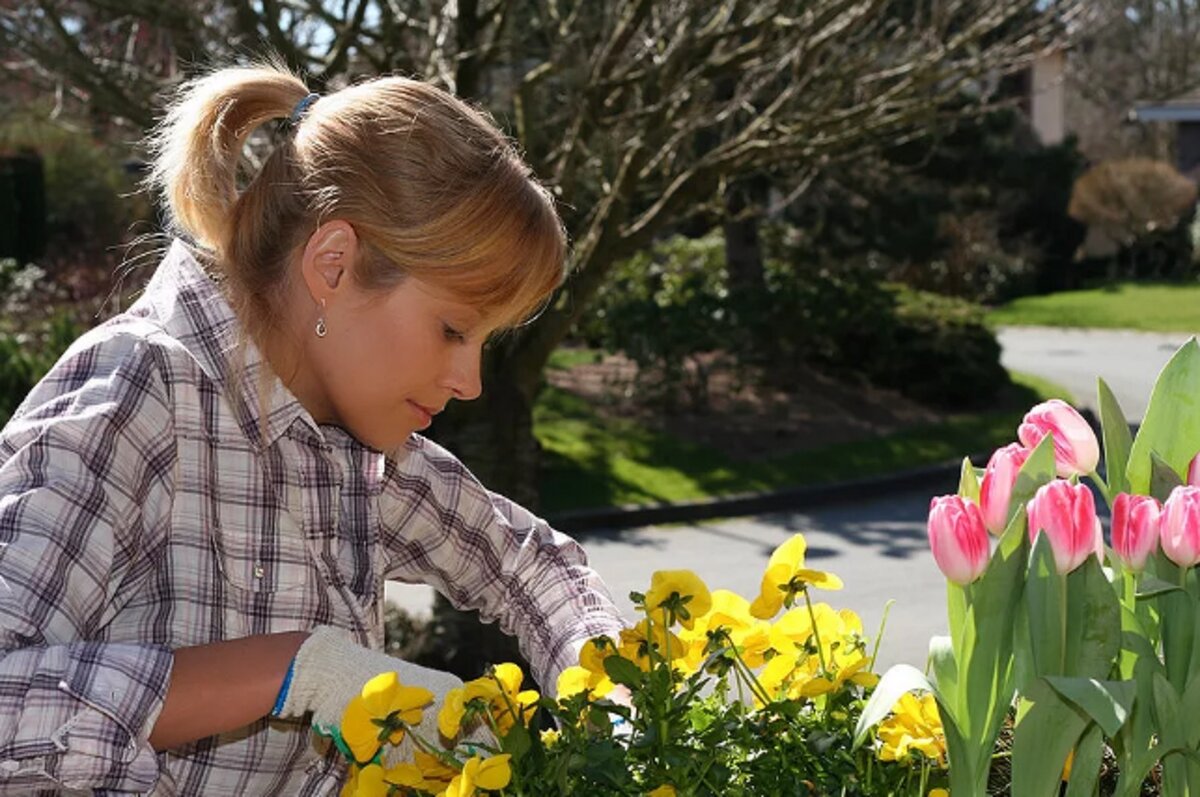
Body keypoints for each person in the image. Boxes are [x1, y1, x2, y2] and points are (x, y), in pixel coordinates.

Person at [0, 64, 626, 795]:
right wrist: (296, 671)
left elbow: (532, 566)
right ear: (334, 263)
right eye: (453, 328)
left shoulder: (348, 440)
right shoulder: (135, 393)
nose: (470, 380)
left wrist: (617, 710)